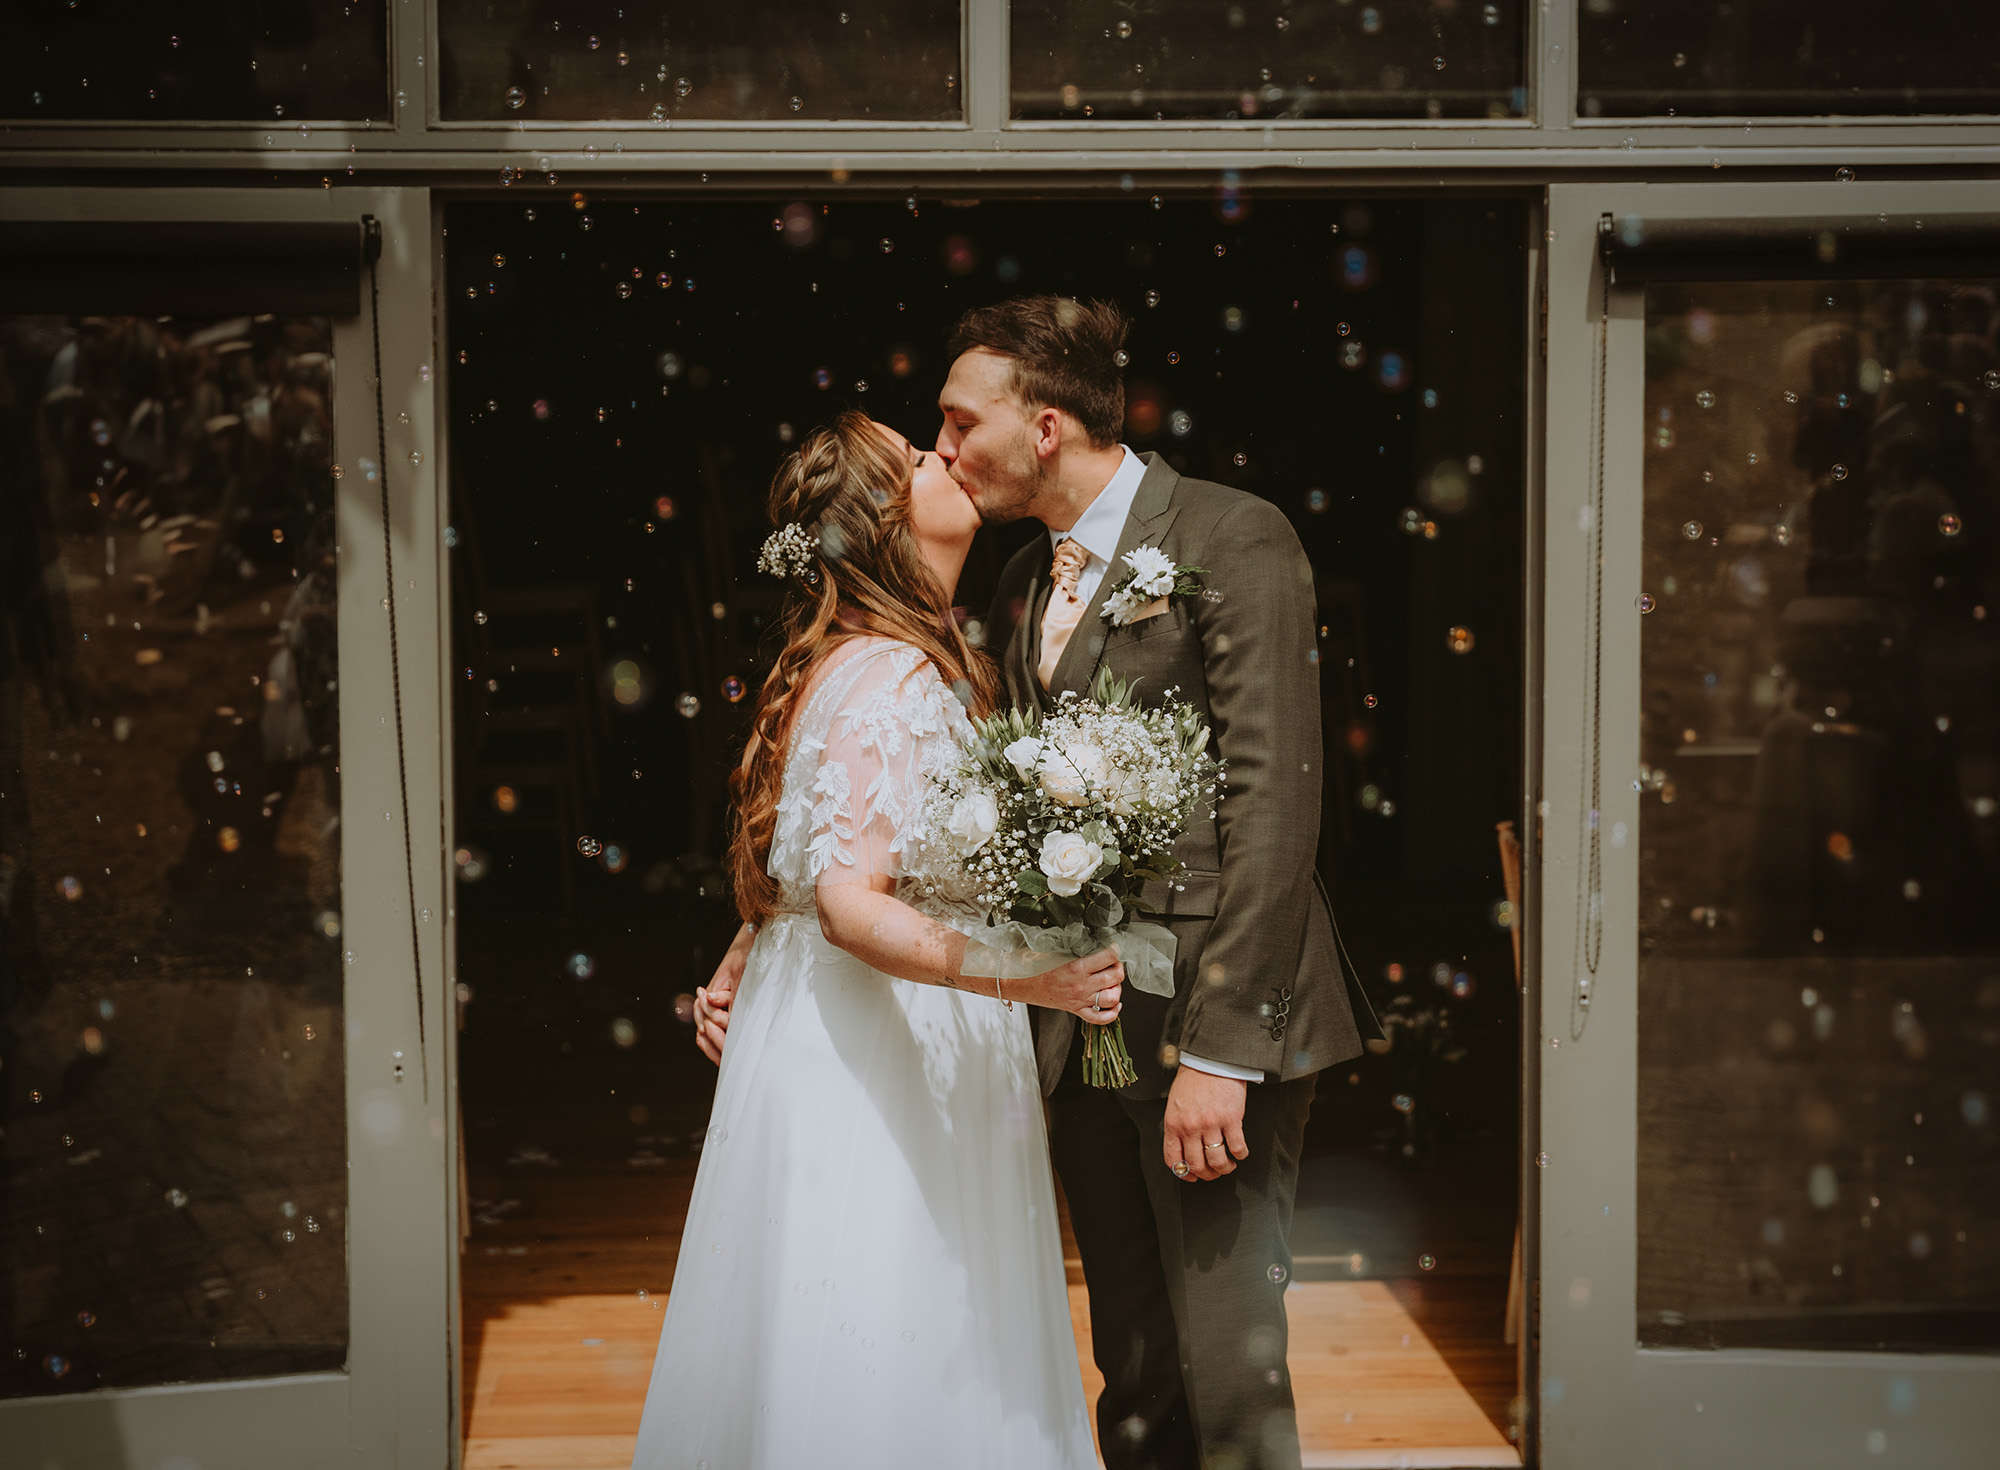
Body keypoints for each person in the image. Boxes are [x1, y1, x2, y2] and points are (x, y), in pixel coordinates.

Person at [942, 296, 1381, 1470]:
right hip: (1083, 1029)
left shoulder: (1232, 535)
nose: (938, 447)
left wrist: (1222, 1053)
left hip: (1207, 1023)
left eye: (953, 421)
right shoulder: (1024, 580)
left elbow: (1275, 806)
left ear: (1042, 427)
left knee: (1226, 1371)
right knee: (1131, 1373)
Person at [635, 410, 1115, 1470]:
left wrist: (738, 950)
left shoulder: (889, 660)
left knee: (879, 1321)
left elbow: (815, 851)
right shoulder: (888, 679)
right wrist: (1027, 979)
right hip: (889, 1046)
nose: (944, 455)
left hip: (889, 1027)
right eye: (914, 458)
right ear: (886, 523)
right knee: (893, 1318)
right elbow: (852, 902)